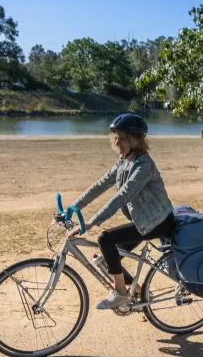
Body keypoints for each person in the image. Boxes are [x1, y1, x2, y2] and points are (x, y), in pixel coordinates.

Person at [67, 114, 175, 309]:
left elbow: (123, 195)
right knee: (106, 258)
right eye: (115, 137)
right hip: (144, 221)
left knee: (105, 239)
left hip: (158, 222)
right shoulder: (123, 161)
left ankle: (120, 293)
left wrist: (91, 222)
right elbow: (101, 184)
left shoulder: (144, 165)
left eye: (123, 138)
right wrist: (74, 207)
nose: (117, 142)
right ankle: (141, 295)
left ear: (136, 140)